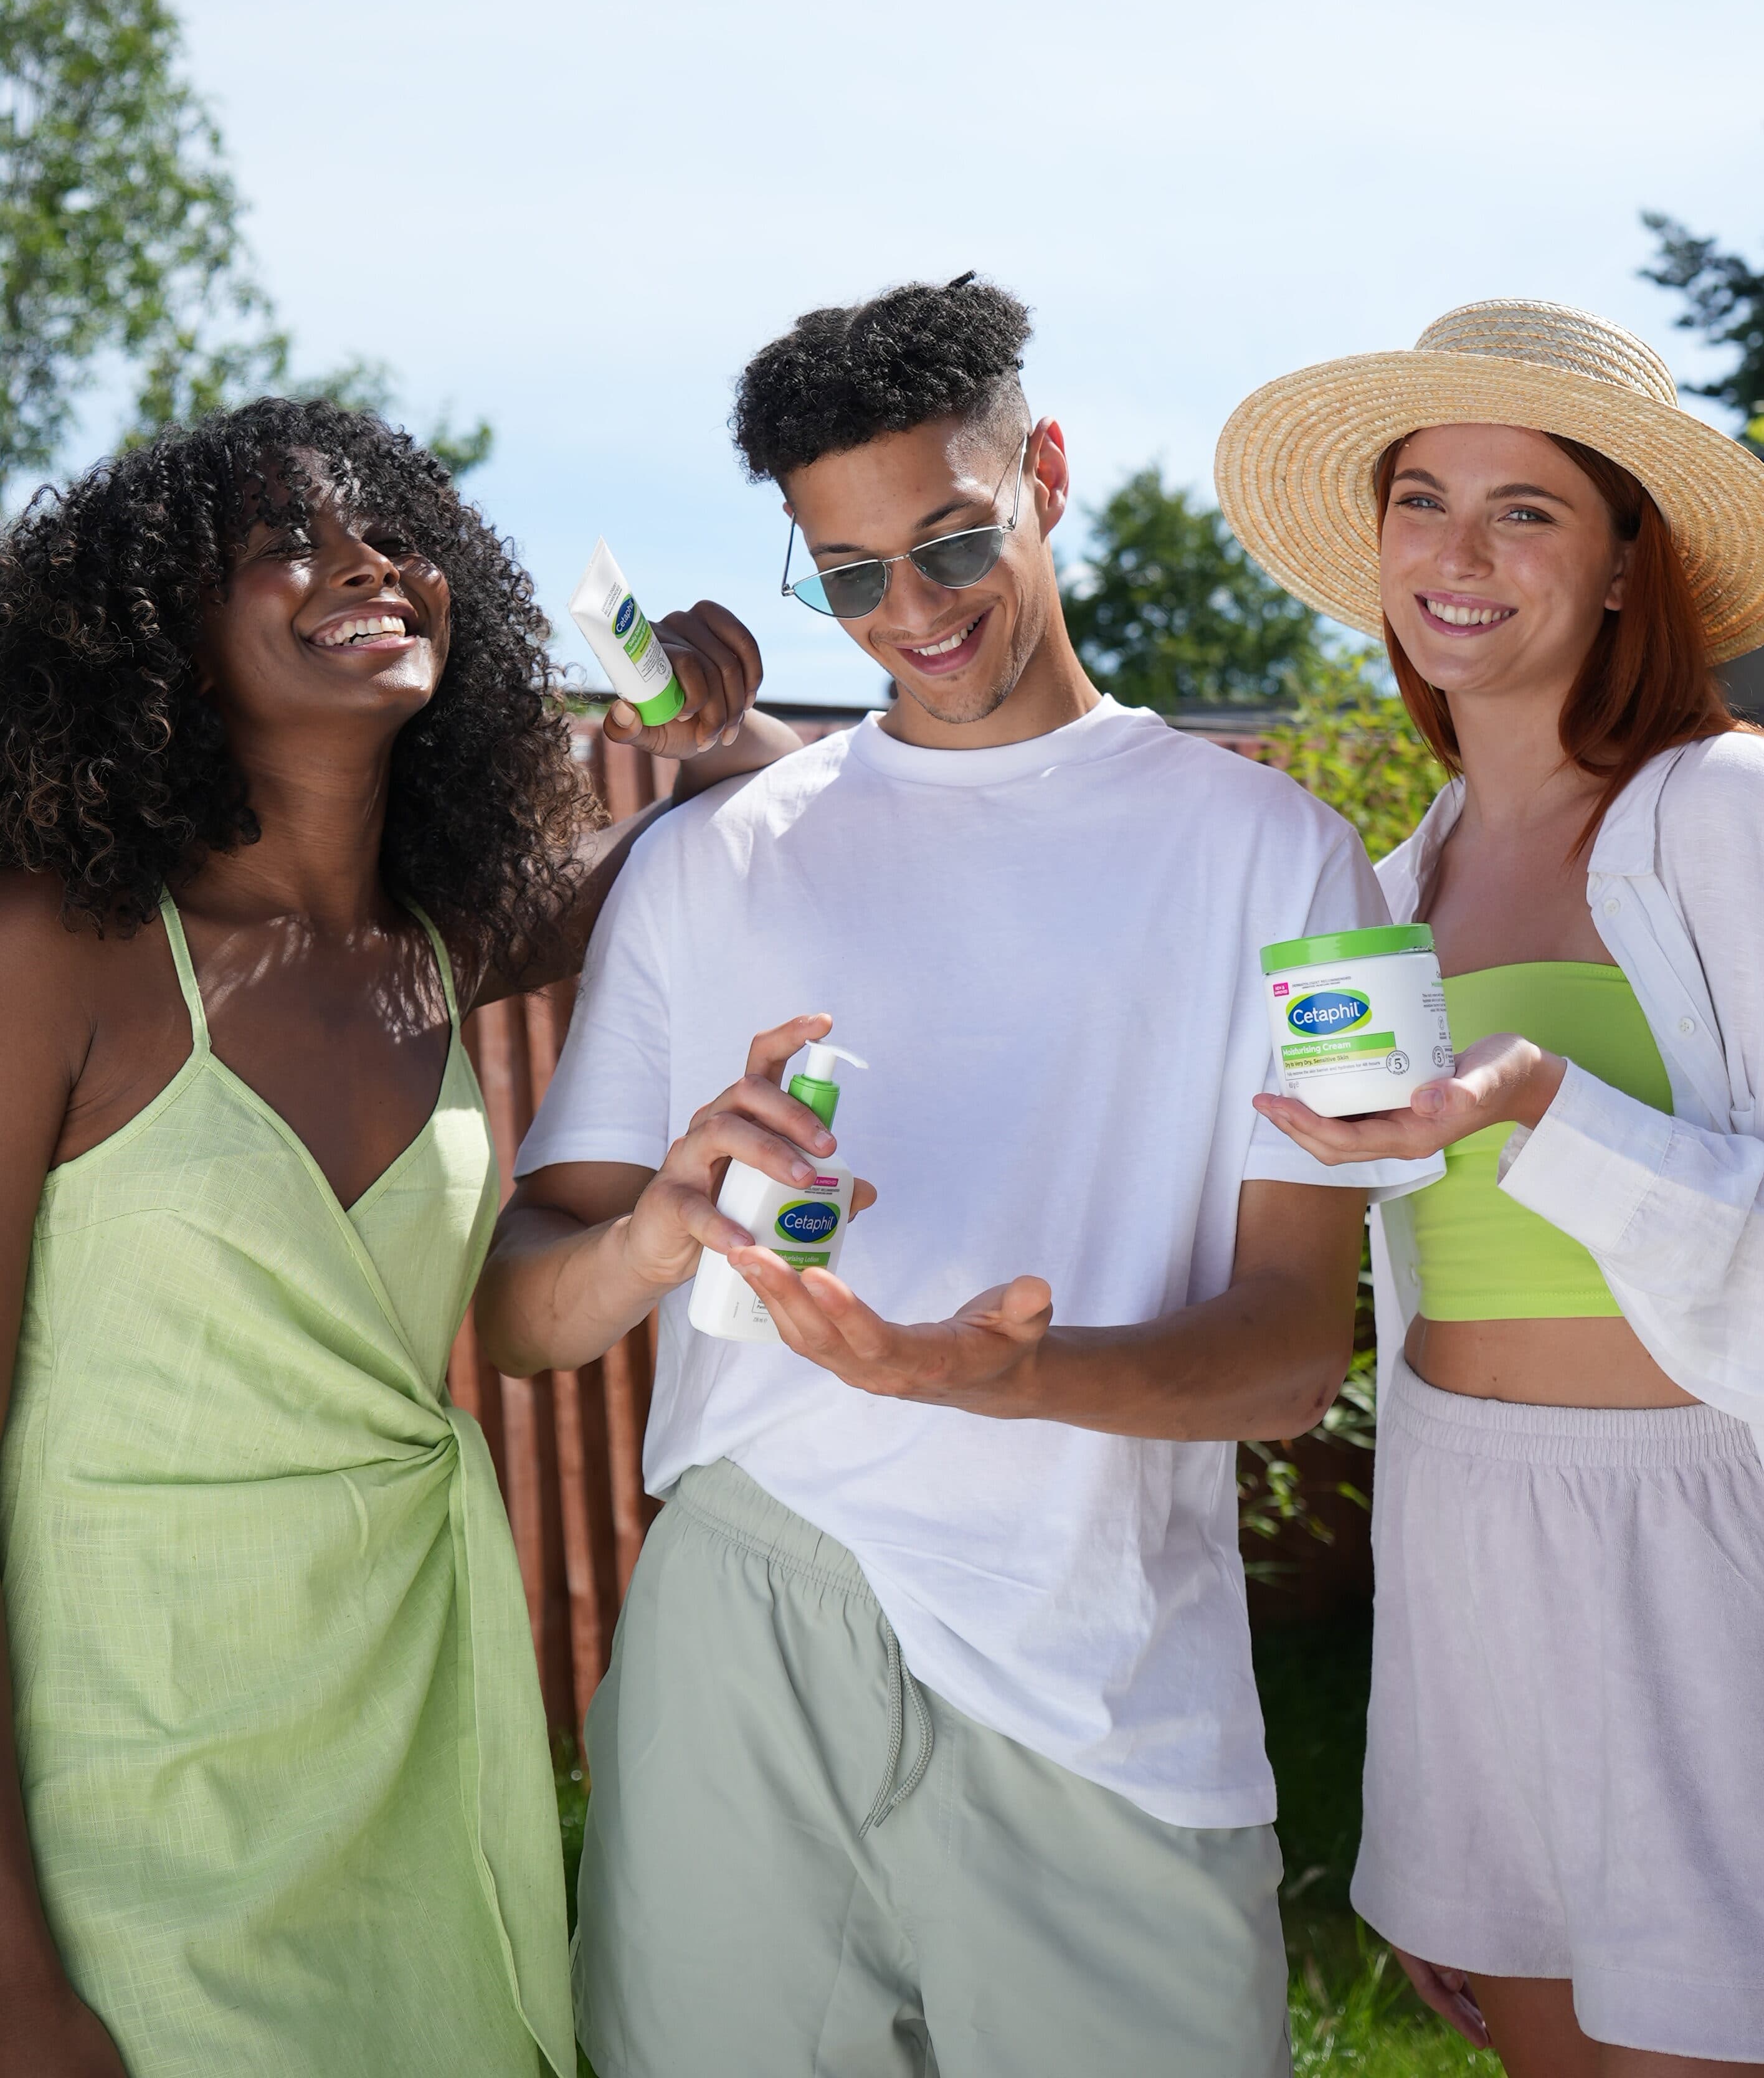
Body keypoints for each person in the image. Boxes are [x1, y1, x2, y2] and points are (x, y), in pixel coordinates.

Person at [477, 275, 1429, 2078]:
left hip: (1104, 1669)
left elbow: (1297, 1355)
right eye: (845, 578)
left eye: (951, 544)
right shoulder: (716, 859)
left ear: (1046, 470)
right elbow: (528, 1310)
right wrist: (658, 1237)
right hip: (751, 1622)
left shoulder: (1284, 860)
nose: (907, 615)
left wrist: (1009, 1378)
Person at [0, 397, 790, 2078]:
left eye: (388, 529)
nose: (362, 559)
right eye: (284, 538)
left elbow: (753, 795)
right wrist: (9, 1972)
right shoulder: (53, 954)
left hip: (416, 1725)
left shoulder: (440, 946)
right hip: (137, 1787)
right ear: (161, 638)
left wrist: (678, 693)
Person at [1215, 298, 1764, 2078]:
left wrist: (1541, 1109)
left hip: (1709, 1560)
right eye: (1420, 499)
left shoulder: (1727, 818)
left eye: (1526, 509)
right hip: (1469, 1571)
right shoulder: (1388, 886)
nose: (1456, 554)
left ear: (1624, 565)